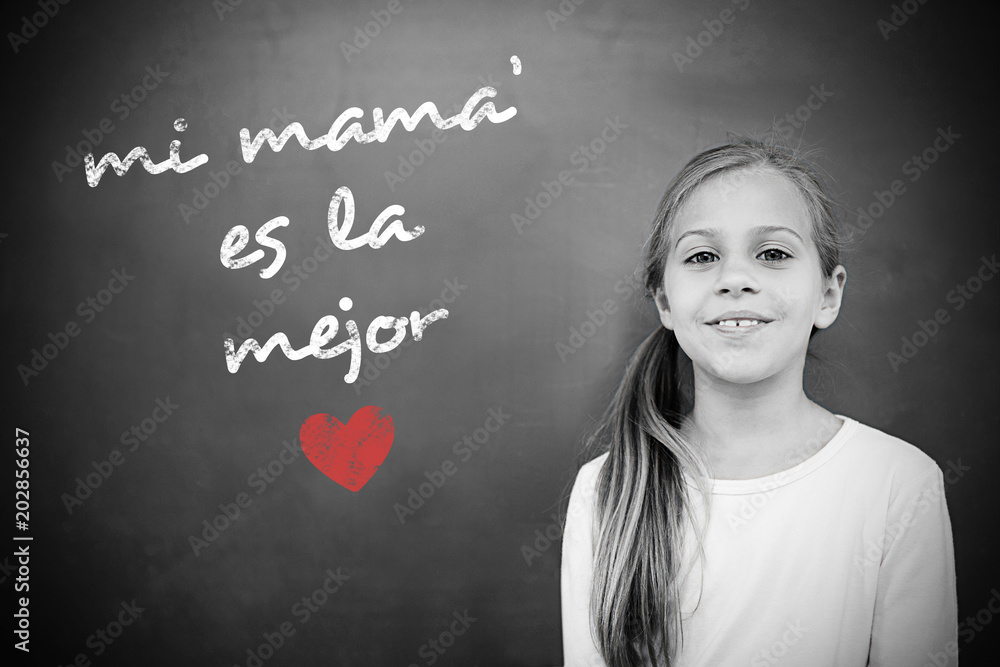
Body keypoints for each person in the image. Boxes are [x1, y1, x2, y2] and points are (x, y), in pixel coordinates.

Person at [559, 140, 958, 666]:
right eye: (703, 256)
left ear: (828, 295)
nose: (735, 280)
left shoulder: (896, 483)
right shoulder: (607, 490)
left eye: (773, 254)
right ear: (665, 303)